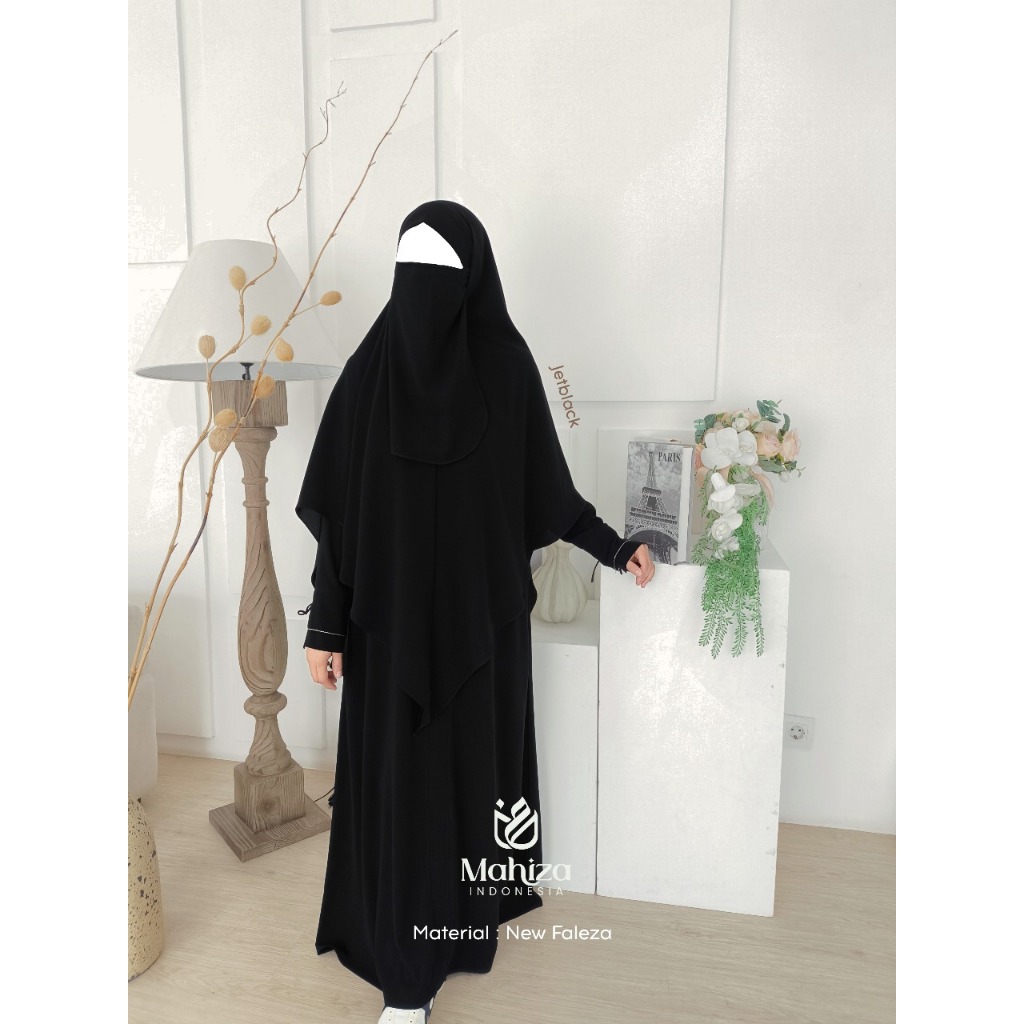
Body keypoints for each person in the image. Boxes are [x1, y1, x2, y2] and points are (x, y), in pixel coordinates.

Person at [296, 200, 654, 1024]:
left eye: (438, 268)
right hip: (385, 630)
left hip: (477, 633)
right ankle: (405, 978)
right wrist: (324, 626)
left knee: (458, 786)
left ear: (473, 276)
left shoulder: (505, 368)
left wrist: (614, 547)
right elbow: (340, 516)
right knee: (401, 789)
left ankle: (450, 931)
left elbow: (547, 490)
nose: (420, 286)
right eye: (409, 267)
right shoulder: (372, 369)